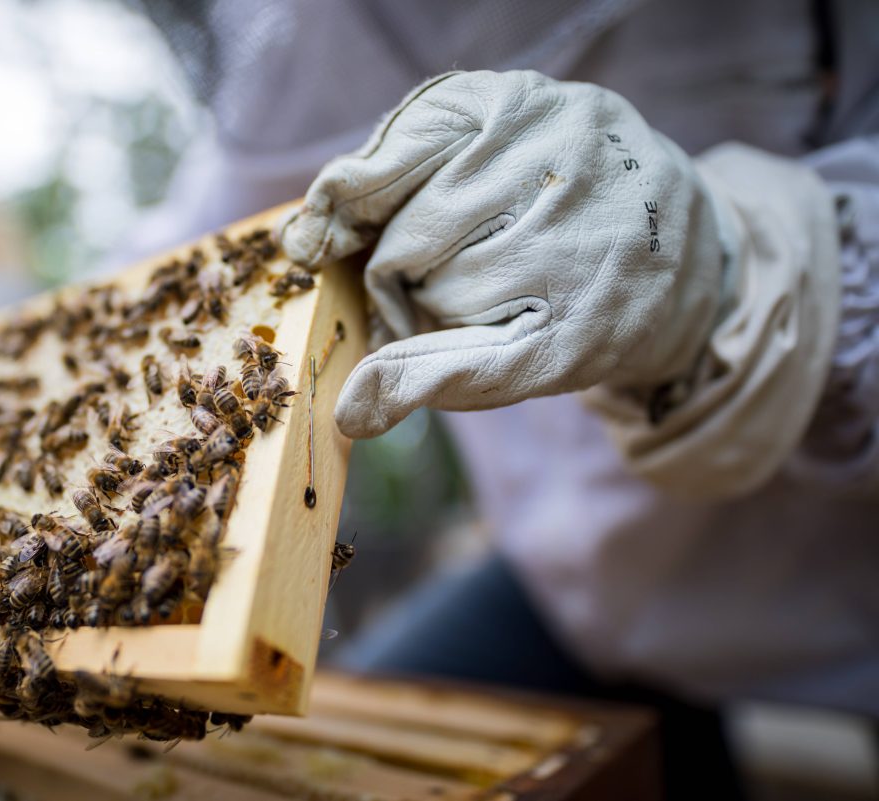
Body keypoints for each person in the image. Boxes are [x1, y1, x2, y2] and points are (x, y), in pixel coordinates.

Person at [134, 2, 879, 796]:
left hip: (843, 596)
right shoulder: (314, 34)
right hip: (561, 587)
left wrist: (730, 274)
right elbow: (202, 247)